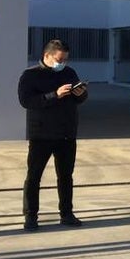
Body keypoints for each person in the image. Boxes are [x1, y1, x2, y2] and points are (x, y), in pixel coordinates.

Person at [17, 38, 88, 230]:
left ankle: (67, 213)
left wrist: (80, 93)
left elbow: (80, 99)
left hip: (66, 132)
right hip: (41, 133)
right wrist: (54, 95)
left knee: (66, 176)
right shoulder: (31, 75)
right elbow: (26, 101)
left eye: (65, 59)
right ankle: (31, 215)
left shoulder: (69, 72)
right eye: (59, 59)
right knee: (34, 176)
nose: (62, 63)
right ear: (46, 56)